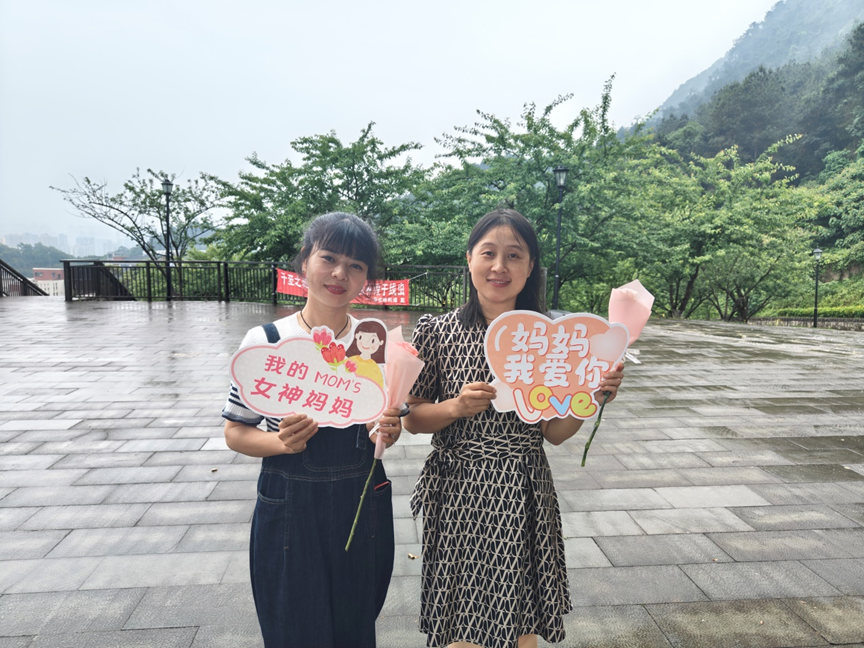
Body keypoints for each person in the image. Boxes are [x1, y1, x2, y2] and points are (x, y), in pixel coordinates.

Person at [404, 208, 625, 648]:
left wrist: (591, 397)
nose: (499, 266)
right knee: (460, 612)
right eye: (488, 253)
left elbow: (554, 433)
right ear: (469, 259)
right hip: (458, 487)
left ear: (530, 267)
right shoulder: (437, 331)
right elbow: (412, 418)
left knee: (520, 615)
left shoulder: (552, 341)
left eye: (514, 255)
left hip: (522, 488)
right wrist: (455, 407)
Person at [222, 212, 403, 648]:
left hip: (360, 499)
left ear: (367, 279)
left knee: (355, 627)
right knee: (293, 626)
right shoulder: (266, 341)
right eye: (329, 258)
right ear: (304, 261)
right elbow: (236, 431)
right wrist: (279, 442)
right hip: (289, 501)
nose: (340, 274)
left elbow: (389, 425)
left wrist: (389, 429)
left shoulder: (377, 344)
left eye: (355, 265)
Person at [346, 319, 388, 388]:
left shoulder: (376, 368)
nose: (365, 343)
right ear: (356, 336)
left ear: (381, 342)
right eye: (361, 337)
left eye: (372, 340)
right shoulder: (350, 361)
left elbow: (378, 388)